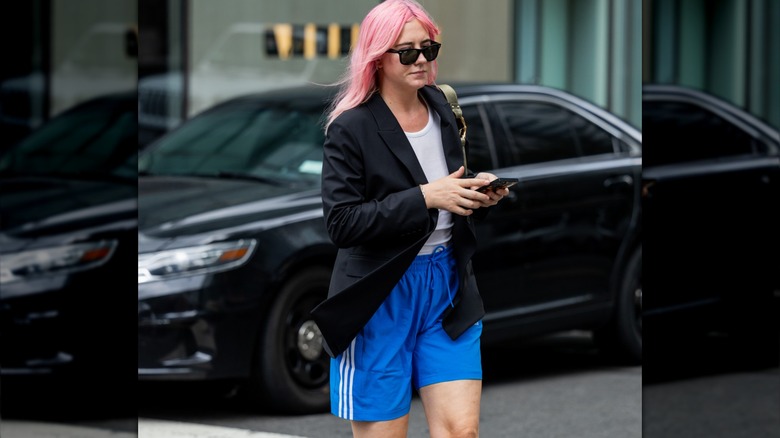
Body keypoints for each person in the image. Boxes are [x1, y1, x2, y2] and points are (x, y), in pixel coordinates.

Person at [310, 1, 509, 436]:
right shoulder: (351, 128)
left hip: (447, 285)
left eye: (428, 48)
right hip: (379, 294)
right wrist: (425, 197)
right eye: (406, 51)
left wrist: (475, 191)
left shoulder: (443, 105)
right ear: (376, 57)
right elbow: (342, 223)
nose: (421, 60)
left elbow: (445, 183)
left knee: (461, 431)